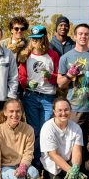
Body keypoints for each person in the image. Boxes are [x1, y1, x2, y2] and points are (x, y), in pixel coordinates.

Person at [57, 23, 89, 179]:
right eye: (80, 34)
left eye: (86, 34)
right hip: (74, 108)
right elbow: (60, 83)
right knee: (74, 143)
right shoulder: (66, 57)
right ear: (75, 35)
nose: (83, 36)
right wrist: (69, 75)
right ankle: (74, 176)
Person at [19, 25, 59, 170]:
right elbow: (21, 77)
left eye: (39, 39)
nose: (36, 42)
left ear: (44, 39)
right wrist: (28, 82)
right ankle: (36, 164)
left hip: (48, 97)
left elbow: (59, 78)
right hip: (31, 96)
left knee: (46, 130)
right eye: (33, 39)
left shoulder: (53, 55)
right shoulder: (26, 55)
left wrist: (51, 76)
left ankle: (47, 163)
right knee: (34, 130)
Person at [40, 98, 86, 179]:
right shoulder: (47, 127)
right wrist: (70, 171)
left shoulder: (76, 128)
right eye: (60, 110)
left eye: (66, 110)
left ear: (70, 110)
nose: (63, 113)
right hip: (52, 165)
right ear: (54, 112)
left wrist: (75, 168)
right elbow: (53, 155)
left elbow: (77, 151)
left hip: (69, 163)